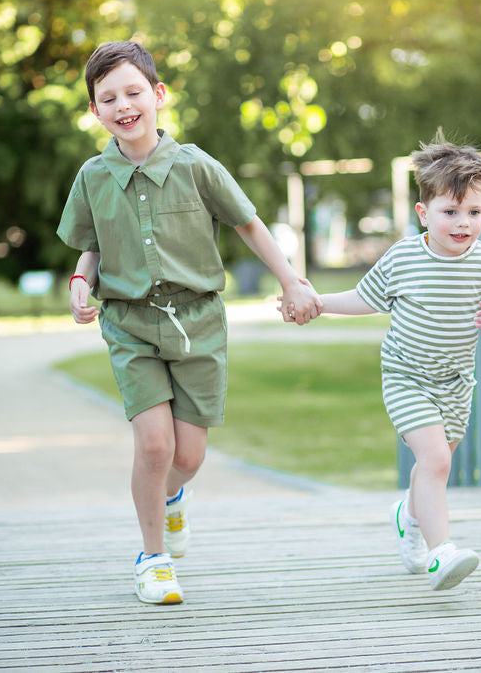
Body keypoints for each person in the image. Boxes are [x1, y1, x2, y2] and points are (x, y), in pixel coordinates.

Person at [57, 41, 321, 605]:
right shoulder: (92, 177)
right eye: (109, 99)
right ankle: (152, 557)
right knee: (154, 448)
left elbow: (250, 225)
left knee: (188, 458)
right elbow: (91, 247)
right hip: (129, 325)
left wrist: (292, 280)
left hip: (198, 323)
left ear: (158, 96)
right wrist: (81, 282)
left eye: (133, 93)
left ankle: (172, 500)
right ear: (94, 112)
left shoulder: (196, 166)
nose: (123, 106)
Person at [288, 131, 481, 590]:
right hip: (406, 377)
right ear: (424, 213)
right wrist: (317, 303)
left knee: (432, 467)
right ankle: (442, 553)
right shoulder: (404, 258)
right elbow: (366, 296)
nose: (464, 223)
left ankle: (409, 518)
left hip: (456, 383)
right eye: (450, 212)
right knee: (437, 461)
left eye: (475, 212)